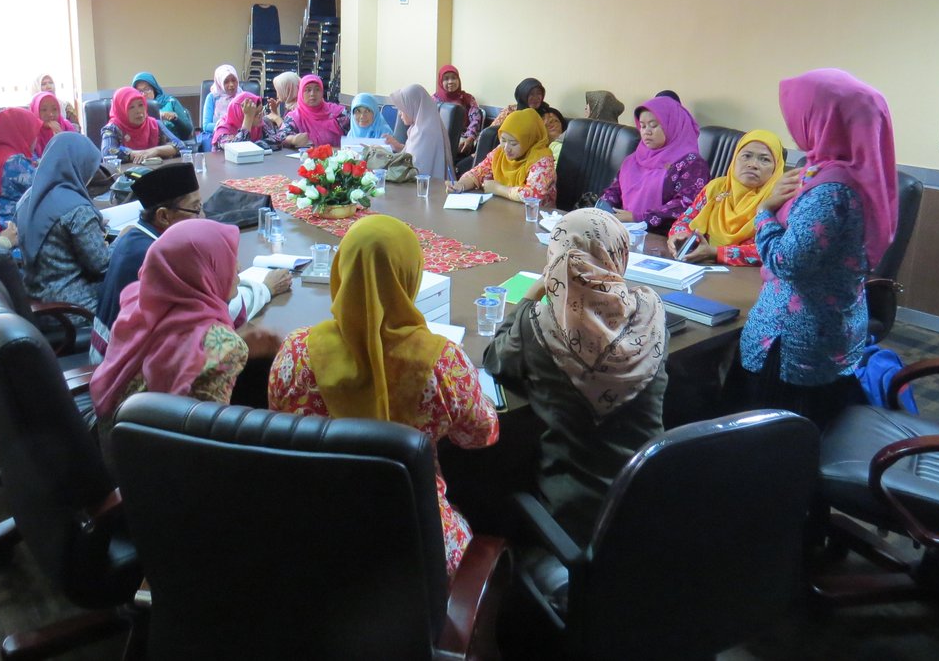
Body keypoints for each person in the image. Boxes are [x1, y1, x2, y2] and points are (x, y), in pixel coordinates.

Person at [269, 216, 499, 576]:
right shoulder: (441, 363)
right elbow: (480, 435)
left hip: (316, 534)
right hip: (416, 541)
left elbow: (280, 422)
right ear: (410, 276)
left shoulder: (295, 353)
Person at [483, 208, 666, 545]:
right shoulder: (650, 313)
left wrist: (530, 296)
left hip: (572, 519)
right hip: (650, 502)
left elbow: (495, 359)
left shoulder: (537, 325)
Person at [730, 69, 896, 429]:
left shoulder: (830, 190)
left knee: (773, 437)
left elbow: (786, 262)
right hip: (832, 323)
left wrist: (764, 211)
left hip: (796, 339)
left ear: (826, 119)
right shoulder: (845, 170)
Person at [90, 218, 282, 448]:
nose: (238, 267)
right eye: (228, 259)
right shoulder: (223, 345)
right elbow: (212, 441)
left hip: (114, 444)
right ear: (202, 271)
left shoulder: (136, 305)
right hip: (159, 460)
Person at [88, 164, 290, 365]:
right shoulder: (161, 257)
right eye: (195, 209)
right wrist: (265, 289)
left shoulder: (134, 236)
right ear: (164, 216)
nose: (203, 217)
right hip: (124, 365)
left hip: (114, 353)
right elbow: (210, 314)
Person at [15, 132, 111, 312]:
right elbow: (102, 266)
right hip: (76, 308)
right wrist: (122, 242)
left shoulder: (26, 199)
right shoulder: (78, 210)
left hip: (38, 301)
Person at [666, 129, 785, 266]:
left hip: (748, 275)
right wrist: (680, 236)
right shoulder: (716, 188)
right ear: (734, 159)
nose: (753, 164)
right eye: (746, 156)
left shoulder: (779, 201)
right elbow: (684, 221)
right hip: (700, 265)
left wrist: (716, 253)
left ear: (776, 167)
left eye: (764, 159)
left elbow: (774, 250)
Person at [597, 96, 709, 233]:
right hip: (624, 230)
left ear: (672, 125)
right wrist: (603, 209)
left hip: (664, 237)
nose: (646, 131)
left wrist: (638, 217)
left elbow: (686, 205)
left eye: (653, 125)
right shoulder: (633, 160)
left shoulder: (692, 164)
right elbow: (615, 190)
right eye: (643, 126)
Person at [447, 108, 557, 206]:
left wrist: (498, 189)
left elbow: (533, 196)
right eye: (503, 140)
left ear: (529, 140)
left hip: (535, 215)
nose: (506, 148)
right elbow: (478, 172)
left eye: (513, 143)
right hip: (504, 209)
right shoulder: (500, 151)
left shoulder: (542, 160)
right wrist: (461, 185)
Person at [0, 107, 43, 226]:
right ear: (22, 133)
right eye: (33, 133)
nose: (36, 139)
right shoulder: (13, 162)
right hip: (12, 227)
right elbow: (45, 186)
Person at [100, 86, 183, 163]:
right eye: (131, 107)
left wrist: (155, 151)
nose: (138, 111)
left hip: (156, 171)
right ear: (121, 110)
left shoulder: (154, 124)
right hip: (125, 173)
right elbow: (107, 153)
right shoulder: (112, 128)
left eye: (141, 105)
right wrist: (136, 154)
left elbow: (181, 146)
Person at [389, 83, 454, 180]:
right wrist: (399, 147)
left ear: (413, 106)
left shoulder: (425, 133)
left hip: (427, 186)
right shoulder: (418, 127)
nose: (399, 114)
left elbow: (415, 169)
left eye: (402, 109)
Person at [490, 78, 568, 152]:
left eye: (539, 93)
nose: (536, 98)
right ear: (523, 95)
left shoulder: (549, 115)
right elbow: (491, 133)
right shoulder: (509, 112)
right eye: (531, 94)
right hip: (507, 152)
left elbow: (556, 141)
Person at [279, 74, 348, 148]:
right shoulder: (295, 117)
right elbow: (281, 137)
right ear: (301, 93)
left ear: (322, 92)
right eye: (308, 90)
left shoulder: (337, 112)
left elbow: (354, 130)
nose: (312, 94)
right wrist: (293, 140)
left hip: (337, 154)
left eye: (317, 89)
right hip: (307, 155)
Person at [433, 65, 485, 158]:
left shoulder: (468, 99)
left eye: (454, 78)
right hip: (440, 138)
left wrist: (470, 138)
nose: (450, 81)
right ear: (440, 81)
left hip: (462, 138)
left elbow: (475, 119)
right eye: (446, 79)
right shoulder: (434, 100)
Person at [132, 71, 194, 142]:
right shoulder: (134, 108)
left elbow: (188, 131)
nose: (143, 94)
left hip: (173, 144)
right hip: (145, 145)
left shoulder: (170, 101)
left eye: (147, 89)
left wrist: (174, 119)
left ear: (154, 89)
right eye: (139, 91)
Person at [212, 91, 282, 151]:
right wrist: (248, 119)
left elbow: (277, 142)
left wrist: (254, 145)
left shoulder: (259, 124)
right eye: (256, 114)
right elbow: (238, 149)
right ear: (241, 115)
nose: (261, 115)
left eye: (261, 111)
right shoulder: (223, 130)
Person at [30, 90, 79, 158]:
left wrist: (62, 136)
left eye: (54, 109)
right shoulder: (30, 133)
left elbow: (76, 154)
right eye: (44, 110)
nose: (51, 114)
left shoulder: (67, 127)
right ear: (35, 111)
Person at [201, 64, 241, 135]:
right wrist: (227, 126)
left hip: (240, 135)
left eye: (233, 80)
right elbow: (206, 126)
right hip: (218, 135)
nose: (231, 84)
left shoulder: (242, 95)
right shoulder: (212, 97)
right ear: (220, 83)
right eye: (226, 82)